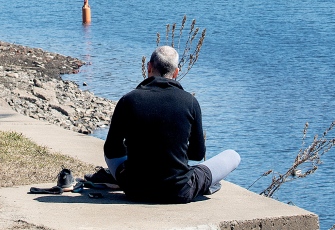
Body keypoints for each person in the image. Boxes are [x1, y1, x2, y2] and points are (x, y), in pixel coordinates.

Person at [102, 46, 241, 204]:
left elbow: (111, 150)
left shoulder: (128, 100)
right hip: (178, 191)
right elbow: (197, 153)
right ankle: (203, 184)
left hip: (135, 189)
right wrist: (172, 152)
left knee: (113, 152)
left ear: (149, 67)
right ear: (176, 72)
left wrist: (140, 151)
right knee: (232, 155)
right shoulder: (190, 102)